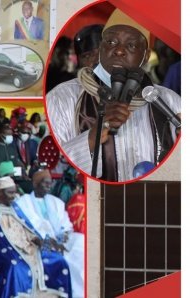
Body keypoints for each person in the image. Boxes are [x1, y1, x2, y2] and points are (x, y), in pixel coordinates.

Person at [46, 9, 180, 181]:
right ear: (100, 49)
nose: (119, 51)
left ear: (145, 56)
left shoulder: (170, 101)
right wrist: (91, 138)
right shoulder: (62, 99)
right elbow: (54, 167)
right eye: (111, 42)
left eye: (131, 45)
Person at [0, 176, 72, 297]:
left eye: (14, 192)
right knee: (14, 266)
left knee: (58, 260)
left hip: (29, 247)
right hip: (5, 249)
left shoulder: (14, 206)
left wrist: (39, 240)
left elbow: (28, 228)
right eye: (10, 192)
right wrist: (14, 248)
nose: (14, 196)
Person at [15, 170, 85, 297]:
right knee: (65, 259)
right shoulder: (23, 202)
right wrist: (50, 241)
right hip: (39, 242)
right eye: (45, 183)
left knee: (81, 243)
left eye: (50, 183)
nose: (49, 186)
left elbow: (66, 225)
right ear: (36, 184)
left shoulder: (56, 202)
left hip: (59, 239)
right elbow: (26, 228)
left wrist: (61, 238)